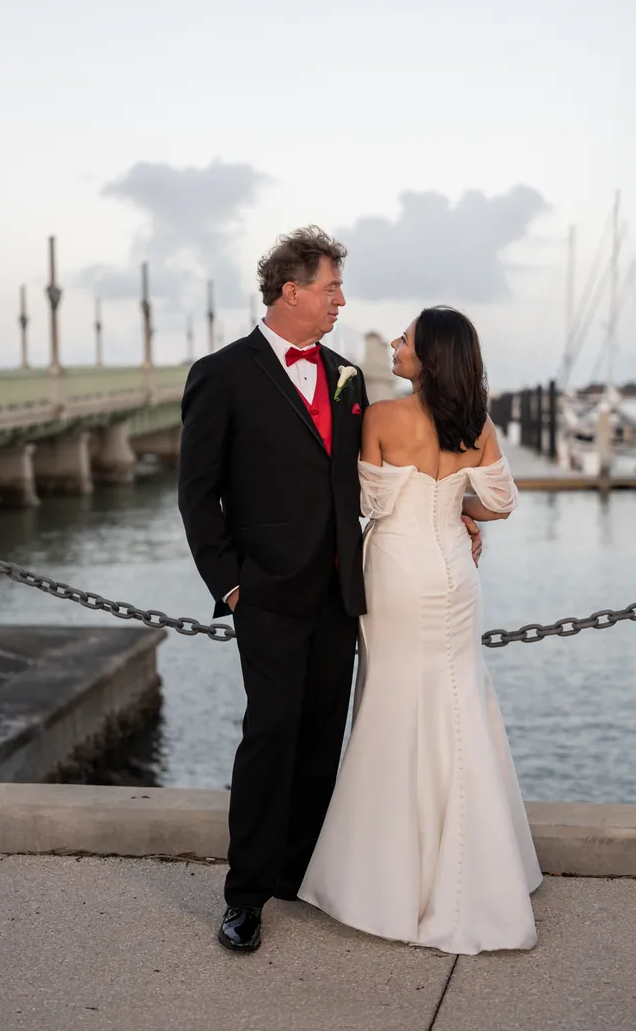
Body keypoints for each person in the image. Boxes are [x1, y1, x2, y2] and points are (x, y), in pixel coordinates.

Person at [178, 228, 484, 953]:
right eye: (331, 288)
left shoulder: (349, 376)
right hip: (266, 593)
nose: (341, 300)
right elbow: (197, 495)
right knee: (270, 734)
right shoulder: (221, 375)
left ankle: (298, 874)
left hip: (345, 590)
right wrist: (229, 585)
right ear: (292, 292)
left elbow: (377, 476)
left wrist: (462, 510)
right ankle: (245, 896)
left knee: (321, 737)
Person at [299, 306, 542, 955]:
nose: (398, 344)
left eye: (407, 338)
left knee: (395, 703)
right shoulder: (477, 424)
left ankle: (392, 881)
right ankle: (481, 871)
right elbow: (500, 502)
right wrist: (458, 505)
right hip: (455, 574)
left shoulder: (380, 418)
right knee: (460, 700)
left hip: (398, 572)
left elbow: (367, 505)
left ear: (429, 356)